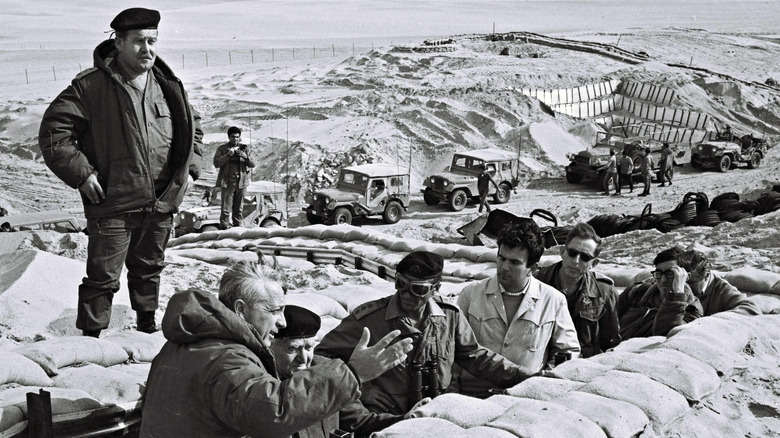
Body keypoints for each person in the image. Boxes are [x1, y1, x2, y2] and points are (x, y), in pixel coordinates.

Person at [38, 8, 203, 338]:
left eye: (153, 41)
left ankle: (145, 330)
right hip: (113, 200)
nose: (148, 49)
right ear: (118, 43)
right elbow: (54, 130)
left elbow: (193, 125)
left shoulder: (166, 84)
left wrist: (191, 170)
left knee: (149, 270)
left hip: (160, 200)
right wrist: (82, 174)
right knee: (102, 278)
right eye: (139, 41)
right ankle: (91, 341)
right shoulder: (91, 87)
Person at [140, 261, 414, 437]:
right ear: (240, 310)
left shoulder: (182, 345)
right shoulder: (226, 360)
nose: (281, 322)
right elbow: (272, 410)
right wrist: (353, 374)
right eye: (274, 310)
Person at [316, 251, 537, 414]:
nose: (407, 294)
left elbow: (477, 357)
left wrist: (524, 376)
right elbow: (321, 356)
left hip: (435, 415)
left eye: (418, 289)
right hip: (387, 418)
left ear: (435, 289)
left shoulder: (450, 317)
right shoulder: (369, 319)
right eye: (401, 284)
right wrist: (360, 388)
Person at [456, 221, 580, 397]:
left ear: (533, 268)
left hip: (524, 395)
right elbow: (452, 348)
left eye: (514, 262)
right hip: (474, 394)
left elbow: (568, 350)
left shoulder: (553, 300)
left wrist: (547, 377)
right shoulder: (471, 294)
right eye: (502, 258)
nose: (505, 267)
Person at [272, 305, 422, 438]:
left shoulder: (327, 371)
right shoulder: (264, 384)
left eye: (308, 348)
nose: (303, 358)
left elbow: (360, 422)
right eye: (292, 349)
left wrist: (405, 420)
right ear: (270, 347)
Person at [535, 223, 620, 357]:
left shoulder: (605, 292)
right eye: (572, 253)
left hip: (584, 365)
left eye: (585, 257)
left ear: (594, 263)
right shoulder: (537, 282)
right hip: (543, 362)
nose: (576, 261)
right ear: (562, 252)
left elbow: (610, 341)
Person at [617, 247, 703, 340]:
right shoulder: (638, 292)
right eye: (659, 273)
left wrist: (677, 294)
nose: (663, 280)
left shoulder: (692, 309)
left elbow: (665, 334)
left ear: (685, 276)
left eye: (670, 273)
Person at [677, 249, 761, 316]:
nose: (684, 286)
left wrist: (713, 320)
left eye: (690, 283)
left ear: (706, 275)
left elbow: (751, 309)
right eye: (681, 281)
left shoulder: (722, 290)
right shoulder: (674, 283)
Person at [214, 126, 255, 229]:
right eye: (233, 137)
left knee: (238, 210)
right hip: (228, 183)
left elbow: (253, 164)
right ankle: (224, 230)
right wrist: (228, 155)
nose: (235, 139)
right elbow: (217, 163)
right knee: (225, 211)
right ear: (229, 137)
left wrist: (246, 157)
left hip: (241, 184)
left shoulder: (244, 148)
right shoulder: (222, 149)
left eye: (237, 137)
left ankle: (237, 231)